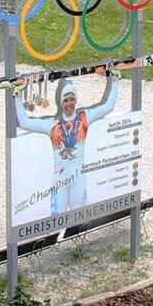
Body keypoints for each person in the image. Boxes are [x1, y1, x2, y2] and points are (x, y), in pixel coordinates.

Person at [15, 73, 120, 216]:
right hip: (60, 180)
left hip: (78, 177)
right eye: (65, 100)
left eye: (72, 99)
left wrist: (115, 81)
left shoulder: (84, 117)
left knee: (79, 219)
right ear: (60, 102)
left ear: (76, 100)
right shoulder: (52, 124)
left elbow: (108, 106)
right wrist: (17, 95)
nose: (69, 103)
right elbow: (24, 122)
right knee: (56, 219)